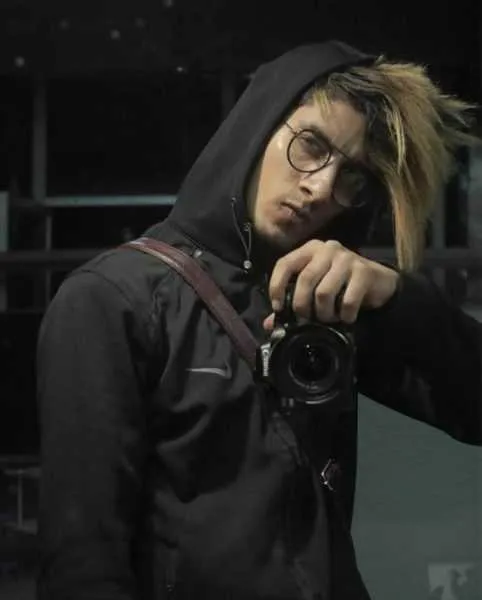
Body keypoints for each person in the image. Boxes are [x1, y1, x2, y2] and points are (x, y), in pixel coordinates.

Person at [36, 40, 482, 600]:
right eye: (311, 145)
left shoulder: (321, 300)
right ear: (260, 125)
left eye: (353, 178)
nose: (321, 188)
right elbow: (83, 561)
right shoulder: (113, 298)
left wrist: (396, 296)